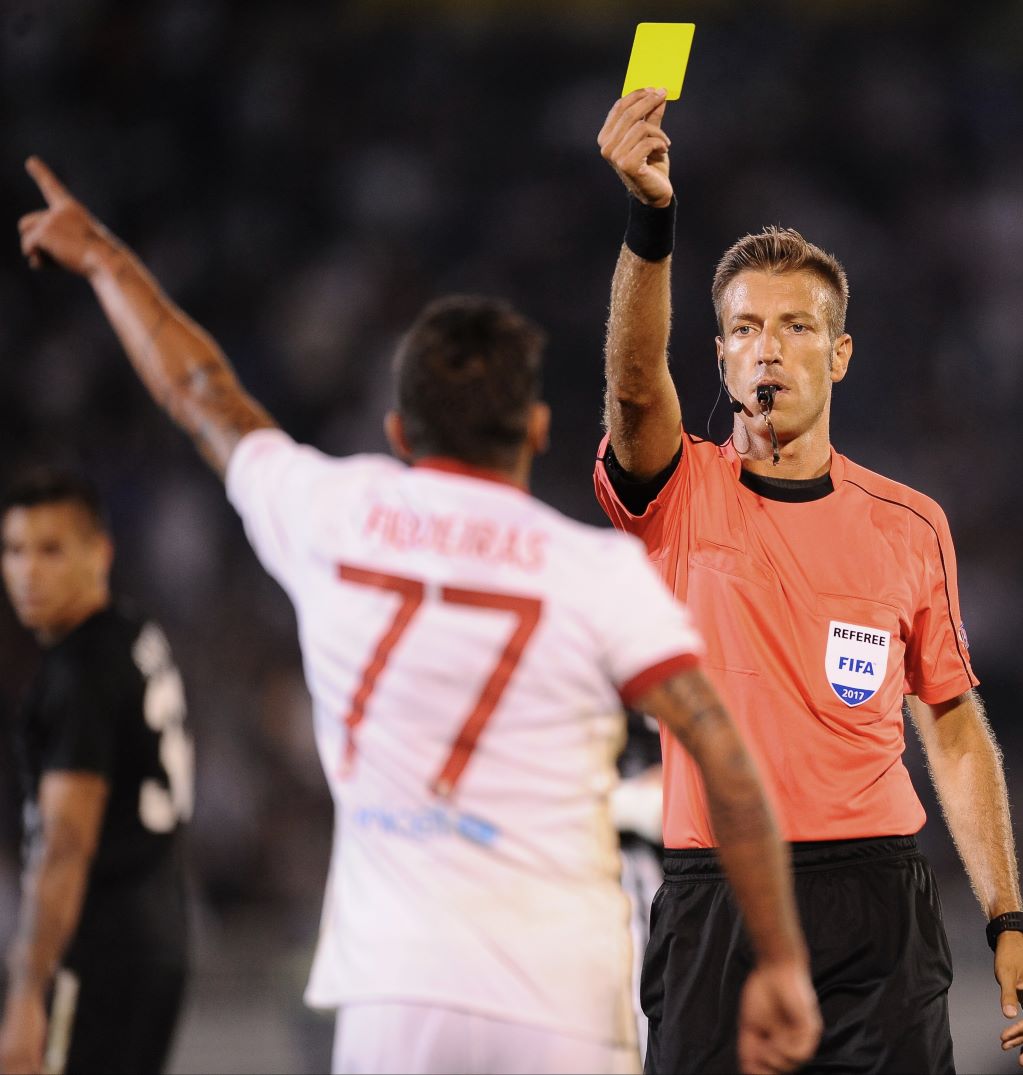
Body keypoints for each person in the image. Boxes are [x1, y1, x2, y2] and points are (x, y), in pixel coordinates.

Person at [16, 156, 824, 1075]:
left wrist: (106, 262)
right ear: (536, 430)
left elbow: (199, 391)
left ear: (400, 433)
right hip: (558, 996)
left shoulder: (330, 515)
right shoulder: (595, 572)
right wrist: (784, 961)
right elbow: (723, 755)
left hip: (394, 992)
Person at [593, 88, 1023, 1073]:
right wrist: (650, 219)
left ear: (839, 356)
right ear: (718, 356)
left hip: (875, 898)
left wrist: (1008, 916)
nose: (772, 344)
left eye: (799, 326)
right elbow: (635, 388)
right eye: (748, 327)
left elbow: (954, 725)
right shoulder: (680, 493)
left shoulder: (908, 522)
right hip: (717, 890)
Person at [0, 467, 192, 1075]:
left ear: (99, 554)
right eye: (14, 550)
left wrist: (27, 994)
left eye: (51, 550)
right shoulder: (134, 636)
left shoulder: (80, 673)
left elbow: (66, 843)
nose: (28, 570)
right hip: (160, 929)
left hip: (95, 948)